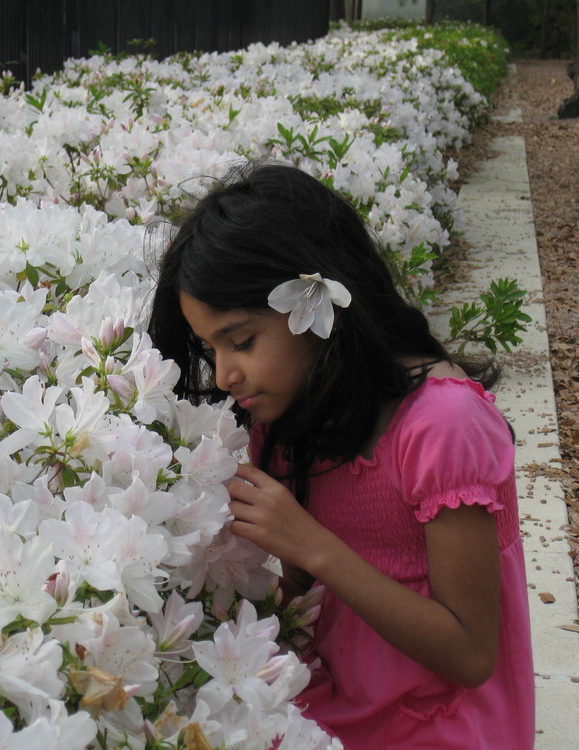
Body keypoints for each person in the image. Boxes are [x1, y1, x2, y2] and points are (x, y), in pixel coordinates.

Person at [148, 162, 535, 749]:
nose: (224, 374)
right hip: (327, 710)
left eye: (242, 340)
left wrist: (312, 546)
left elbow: (471, 652)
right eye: (210, 348)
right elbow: (307, 605)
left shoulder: (443, 428)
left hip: (442, 728)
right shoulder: (289, 421)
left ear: (316, 303)